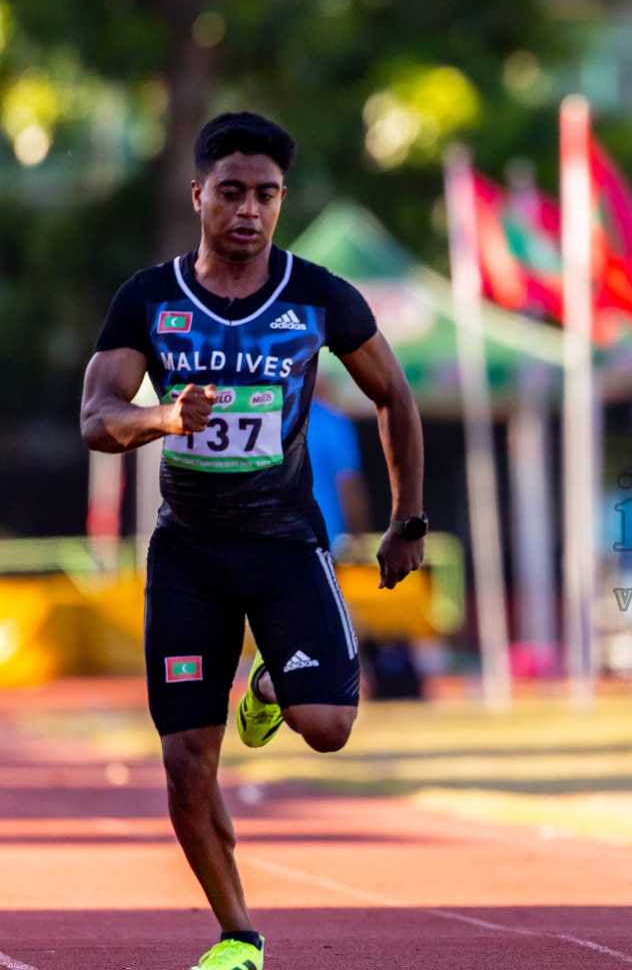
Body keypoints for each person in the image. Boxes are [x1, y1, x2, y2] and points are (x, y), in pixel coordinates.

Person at [79, 112, 427, 970]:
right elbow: (95, 417)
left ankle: (274, 678)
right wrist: (163, 415)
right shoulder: (148, 299)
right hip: (189, 554)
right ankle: (238, 936)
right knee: (187, 764)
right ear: (198, 194)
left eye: (266, 195)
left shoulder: (319, 295)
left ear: (281, 202)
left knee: (329, 725)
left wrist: (406, 518)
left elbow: (395, 397)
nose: (248, 210)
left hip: (283, 545)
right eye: (230, 191)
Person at [306, 392, 370, 546]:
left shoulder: (277, 419)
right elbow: (349, 485)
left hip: (279, 539)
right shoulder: (333, 422)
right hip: (327, 539)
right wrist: (359, 540)